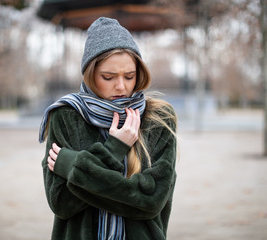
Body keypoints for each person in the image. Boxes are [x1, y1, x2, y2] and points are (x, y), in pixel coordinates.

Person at [39, 17, 178, 240]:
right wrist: (115, 148)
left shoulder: (159, 119)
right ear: (90, 74)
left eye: (129, 76)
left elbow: (151, 201)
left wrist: (74, 166)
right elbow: (62, 203)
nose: (121, 86)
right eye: (108, 77)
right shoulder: (66, 116)